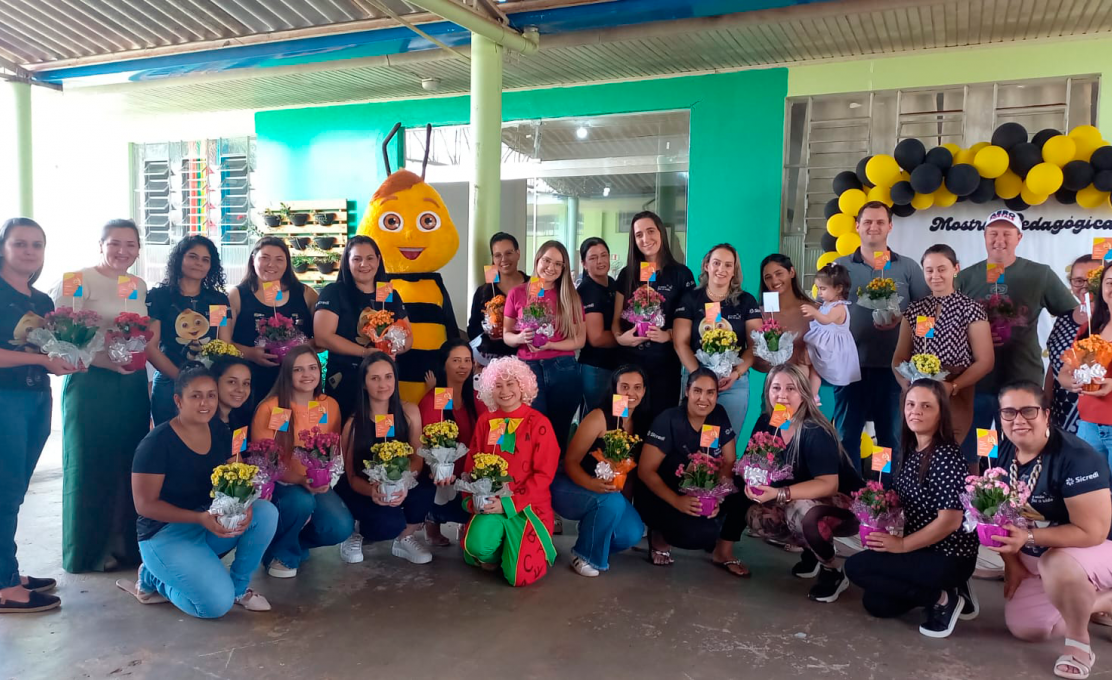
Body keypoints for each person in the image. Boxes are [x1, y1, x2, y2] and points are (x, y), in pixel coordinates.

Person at [118, 366, 277, 617]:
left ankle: (238, 588)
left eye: (211, 395)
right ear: (178, 400)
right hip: (165, 533)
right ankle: (156, 580)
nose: (205, 403)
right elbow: (145, 506)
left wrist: (242, 504)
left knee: (265, 512)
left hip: (206, 520)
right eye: (196, 396)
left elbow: (230, 475)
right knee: (214, 606)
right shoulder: (156, 444)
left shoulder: (218, 430)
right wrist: (199, 518)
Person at [988, 381, 1112, 679]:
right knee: (1030, 629)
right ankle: (1092, 602)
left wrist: (1029, 537)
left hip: (1097, 546)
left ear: (1046, 414)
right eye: (1009, 413)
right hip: (1042, 550)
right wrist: (1011, 562)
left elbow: (1092, 532)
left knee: (1055, 563)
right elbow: (997, 514)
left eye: (1028, 411)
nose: (1018, 420)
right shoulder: (1001, 451)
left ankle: (1078, 643)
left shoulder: (1076, 457)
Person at [50, 218, 149, 573]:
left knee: (129, 464)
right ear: (101, 244)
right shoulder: (76, 279)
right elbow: (62, 338)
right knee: (89, 464)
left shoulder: (136, 284)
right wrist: (106, 361)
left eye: (131, 245)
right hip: (90, 382)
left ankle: (125, 545)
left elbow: (138, 335)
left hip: (132, 385)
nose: (123, 251)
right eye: (115, 243)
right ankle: (88, 550)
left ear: (139, 249)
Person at [844, 380, 979, 639]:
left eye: (926, 406)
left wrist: (902, 545)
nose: (915, 411)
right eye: (911, 404)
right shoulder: (911, 449)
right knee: (877, 604)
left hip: (948, 555)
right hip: (921, 548)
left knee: (857, 568)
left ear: (941, 413)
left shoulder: (945, 457)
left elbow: (950, 521)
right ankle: (949, 588)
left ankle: (943, 597)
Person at [0, 218, 80, 613]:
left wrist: (69, 357)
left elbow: (51, 350)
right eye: (20, 244)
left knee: (13, 492)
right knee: (4, 490)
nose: (29, 251)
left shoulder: (42, 301)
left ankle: (6, 572)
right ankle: (4, 585)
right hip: (5, 399)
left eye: (37, 245)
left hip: (36, 398)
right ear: (3, 247)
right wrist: (41, 359)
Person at [956, 209, 1076, 461]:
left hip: (1022, 376)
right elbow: (948, 325)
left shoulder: (1039, 274)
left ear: (1019, 238)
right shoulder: (965, 278)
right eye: (993, 233)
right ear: (984, 237)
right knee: (978, 443)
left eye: (1007, 234)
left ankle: (1017, 494)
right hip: (977, 380)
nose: (999, 239)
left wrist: (1067, 358)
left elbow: (1072, 316)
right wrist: (976, 337)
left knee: (1019, 442)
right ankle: (979, 492)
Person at [746, 364, 865, 602]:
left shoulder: (815, 429)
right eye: (776, 388)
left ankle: (833, 571)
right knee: (756, 516)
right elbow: (750, 461)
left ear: (803, 393)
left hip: (845, 507)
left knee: (803, 511)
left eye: (791, 388)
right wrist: (751, 482)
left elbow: (828, 485)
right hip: (799, 499)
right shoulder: (766, 423)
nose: (782, 395)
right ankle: (813, 553)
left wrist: (779, 493)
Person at [834, 201, 929, 469]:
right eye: (867, 222)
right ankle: (850, 497)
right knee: (847, 436)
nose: (873, 227)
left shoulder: (908, 267)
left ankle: (884, 497)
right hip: (850, 368)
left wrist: (904, 321)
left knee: (890, 440)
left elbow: (929, 318)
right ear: (857, 226)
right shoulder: (839, 267)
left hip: (896, 370)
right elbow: (824, 314)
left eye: (879, 222)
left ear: (890, 226)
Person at [249, 346, 352, 578]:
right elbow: (266, 462)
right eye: (298, 369)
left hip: (315, 484)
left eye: (312, 368)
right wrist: (300, 480)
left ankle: (290, 543)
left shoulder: (330, 405)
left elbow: (332, 451)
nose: (307, 374)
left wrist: (327, 478)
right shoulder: (272, 408)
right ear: (287, 373)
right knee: (300, 503)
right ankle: (281, 554)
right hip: (281, 486)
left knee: (340, 527)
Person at [636, 368, 749, 577]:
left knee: (744, 484)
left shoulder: (718, 415)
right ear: (687, 391)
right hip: (666, 495)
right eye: (697, 391)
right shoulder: (668, 419)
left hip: (703, 494)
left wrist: (717, 497)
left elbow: (729, 461)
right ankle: (659, 536)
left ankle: (723, 551)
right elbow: (645, 471)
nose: (703, 399)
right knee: (692, 537)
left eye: (710, 393)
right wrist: (677, 501)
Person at [460, 357, 559, 586]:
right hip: (492, 503)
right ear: (488, 390)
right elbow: (472, 463)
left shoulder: (540, 423)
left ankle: (517, 548)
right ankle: (499, 550)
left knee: (518, 578)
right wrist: (472, 499)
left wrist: (511, 503)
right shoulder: (486, 421)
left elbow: (543, 476)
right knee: (476, 547)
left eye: (511, 383)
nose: (505, 391)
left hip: (528, 507)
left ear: (522, 385)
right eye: (498, 385)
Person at [334, 351, 436, 565]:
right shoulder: (353, 423)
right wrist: (372, 491)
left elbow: (418, 458)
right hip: (361, 488)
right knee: (386, 525)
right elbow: (351, 475)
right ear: (364, 384)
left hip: (399, 480)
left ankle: (405, 537)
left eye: (388, 377)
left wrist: (404, 483)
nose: (383, 384)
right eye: (375, 378)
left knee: (427, 486)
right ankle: (356, 531)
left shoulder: (409, 411)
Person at [892, 244, 994, 457]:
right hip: (919, 394)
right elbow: (899, 359)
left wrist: (953, 386)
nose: (935, 275)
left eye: (942, 269)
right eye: (929, 270)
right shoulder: (915, 309)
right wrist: (909, 387)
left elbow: (985, 361)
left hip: (956, 393)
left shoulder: (971, 309)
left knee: (953, 452)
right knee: (917, 451)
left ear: (955, 268)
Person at [552, 365, 648, 577]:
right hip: (570, 486)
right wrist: (591, 483)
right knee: (610, 501)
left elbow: (629, 477)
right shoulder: (599, 417)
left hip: (606, 493)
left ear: (644, 391)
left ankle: (591, 532)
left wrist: (621, 508)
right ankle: (583, 555)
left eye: (637, 387)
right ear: (614, 389)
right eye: (624, 387)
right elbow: (570, 462)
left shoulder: (640, 423)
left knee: (632, 531)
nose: (630, 393)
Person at [314, 235, 412, 422]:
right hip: (346, 380)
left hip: (383, 383)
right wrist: (364, 353)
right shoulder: (334, 292)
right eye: (356, 259)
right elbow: (322, 337)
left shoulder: (389, 293)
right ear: (347, 262)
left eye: (369, 258)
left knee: (383, 433)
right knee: (345, 431)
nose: (363, 264)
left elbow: (408, 338)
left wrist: (393, 348)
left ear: (378, 260)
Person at [612, 211, 695, 420]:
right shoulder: (626, 273)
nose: (645, 239)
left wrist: (668, 335)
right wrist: (621, 339)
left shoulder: (681, 274)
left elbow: (691, 322)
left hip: (664, 365)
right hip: (628, 364)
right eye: (639, 235)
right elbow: (615, 322)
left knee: (660, 422)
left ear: (661, 233)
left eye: (650, 231)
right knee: (621, 421)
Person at [503, 240, 584, 451]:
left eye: (558, 264)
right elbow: (506, 335)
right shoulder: (517, 293)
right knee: (531, 427)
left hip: (562, 368)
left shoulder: (570, 297)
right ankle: (531, 475)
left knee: (558, 429)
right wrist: (521, 338)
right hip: (527, 369)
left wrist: (549, 344)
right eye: (547, 260)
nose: (551, 267)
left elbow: (579, 340)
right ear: (537, 260)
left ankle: (554, 475)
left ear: (563, 268)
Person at [674, 244, 761, 434]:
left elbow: (754, 345)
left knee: (724, 442)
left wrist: (736, 373)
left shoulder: (746, 301)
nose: (721, 269)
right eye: (716, 263)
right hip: (696, 380)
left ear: (734, 271)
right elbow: (681, 343)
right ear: (706, 265)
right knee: (693, 440)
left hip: (733, 383)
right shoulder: (690, 299)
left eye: (728, 265)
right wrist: (699, 378)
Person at [146, 235, 231, 425]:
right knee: (168, 443)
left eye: (205, 259)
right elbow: (150, 347)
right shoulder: (159, 297)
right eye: (193, 256)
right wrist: (183, 379)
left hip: (208, 383)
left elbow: (224, 343)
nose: (199, 263)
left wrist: (207, 381)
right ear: (179, 259)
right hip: (170, 381)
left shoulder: (218, 300)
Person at [417, 338, 488, 546]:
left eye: (467, 360)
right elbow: (427, 442)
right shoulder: (436, 399)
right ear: (444, 364)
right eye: (456, 360)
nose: (463, 366)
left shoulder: (474, 398)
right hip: (443, 482)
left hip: (469, 477)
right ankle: (433, 518)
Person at [229, 237, 317, 404]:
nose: (271, 265)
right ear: (253, 258)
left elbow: (323, 337)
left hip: (296, 382)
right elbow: (224, 341)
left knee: (291, 425)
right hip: (251, 382)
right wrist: (248, 353)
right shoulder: (237, 295)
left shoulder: (305, 293)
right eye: (265, 258)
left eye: (279, 259)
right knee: (257, 424)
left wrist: (301, 347)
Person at [1059, 262, 1112, 466]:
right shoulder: (1089, 329)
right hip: (1088, 427)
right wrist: (1069, 382)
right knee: (1090, 492)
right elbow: (1065, 371)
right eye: (1109, 282)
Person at [1047, 255, 1101, 433]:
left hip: (1097, 412)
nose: (1085, 286)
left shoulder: (1107, 320)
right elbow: (1054, 364)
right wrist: (1045, 400)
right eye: (1078, 280)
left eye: (1092, 279)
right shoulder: (1064, 318)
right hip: (1060, 409)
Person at [467, 232, 527, 364]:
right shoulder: (484, 291)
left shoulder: (534, 286)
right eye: (498, 255)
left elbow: (543, 319)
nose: (504, 259)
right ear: (493, 259)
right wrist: (489, 331)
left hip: (526, 359)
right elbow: (472, 329)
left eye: (509, 253)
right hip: (491, 361)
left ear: (518, 253)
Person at [802, 262, 860, 397]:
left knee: (816, 369)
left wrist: (814, 312)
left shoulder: (839, 307)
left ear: (838, 288)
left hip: (833, 347)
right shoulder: (827, 303)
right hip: (824, 342)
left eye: (823, 288)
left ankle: (813, 396)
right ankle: (811, 394)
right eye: (818, 288)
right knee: (812, 368)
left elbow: (826, 319)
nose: (819, 292)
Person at [577, 237, 620, 414]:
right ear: (584, 264)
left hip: (614, 364)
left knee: (615, 416)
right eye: (593, 258)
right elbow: (596, 338)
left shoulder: (612, 283)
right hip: (595, 368)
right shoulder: (588, 290)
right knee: (597, 417)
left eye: (604, 255)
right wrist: (628, 337)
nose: (600, 261)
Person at [753, 254, 817, 372]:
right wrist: (769, 360)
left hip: (806, 385)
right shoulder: (759, 314)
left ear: (791, 272)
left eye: (779, 273)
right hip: (776, 386)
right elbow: (754, 360)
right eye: (768, 277)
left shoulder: (815, 310)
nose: (774, 280)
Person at [210, 356, 253, 434]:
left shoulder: (240, 421)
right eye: (232, 382)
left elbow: (240, 446)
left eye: (246, 383)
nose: (241, 389)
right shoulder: (202, 423)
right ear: (214, 381)